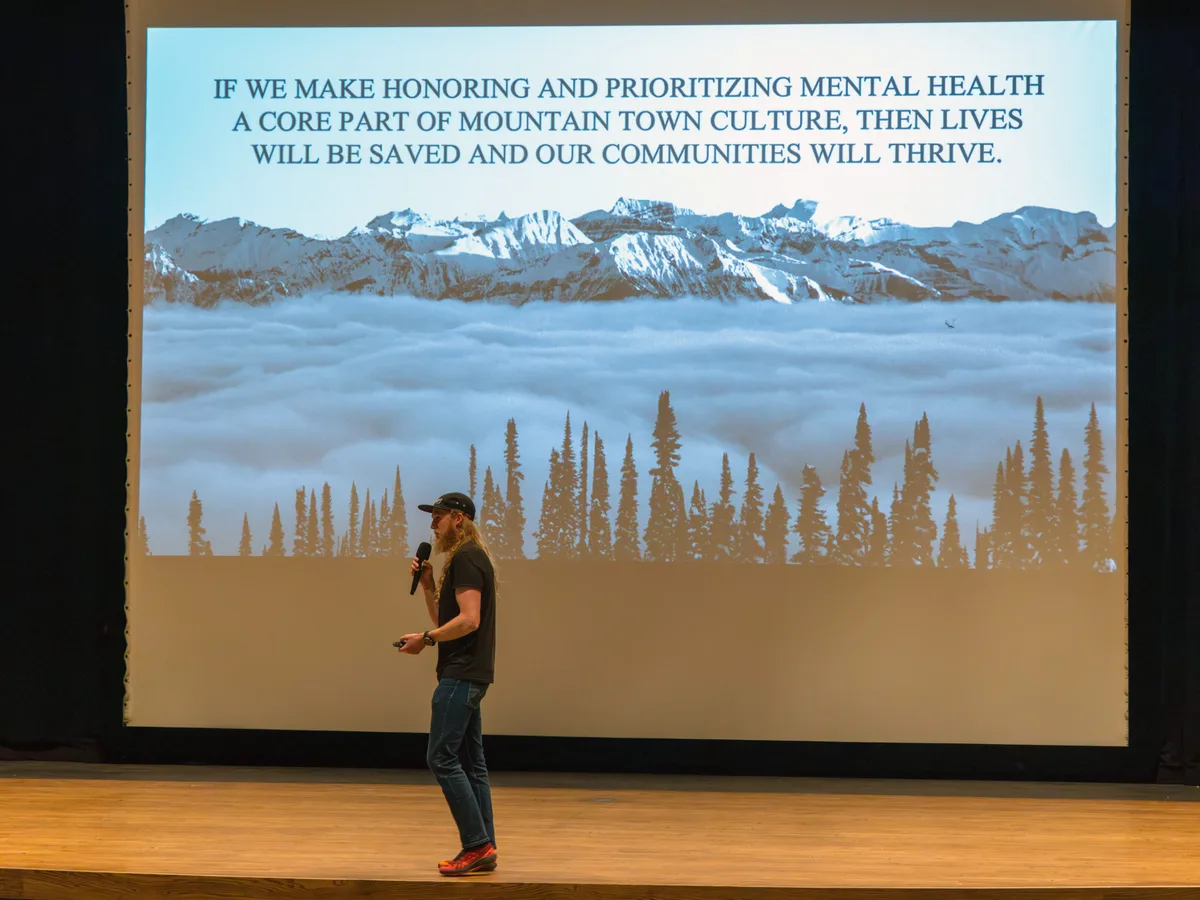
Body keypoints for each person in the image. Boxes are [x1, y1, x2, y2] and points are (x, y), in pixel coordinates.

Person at [397, 491, 499, 877]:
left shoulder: (469, 556)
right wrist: (428, 583)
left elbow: (469, 620)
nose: (432, 524)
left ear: (459, 519)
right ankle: (484, 846)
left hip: (461, 673)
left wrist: (426, 638)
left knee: (441, 757)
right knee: (473, 765)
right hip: (467, 672)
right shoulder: (464, 558)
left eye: (438, 516)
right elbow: (449, 618)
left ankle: (476, 845)